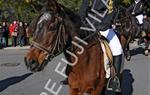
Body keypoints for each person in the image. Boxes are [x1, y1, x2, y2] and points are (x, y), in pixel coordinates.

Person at [61, 0, 123, 93]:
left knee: (117, 48)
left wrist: (103, 25)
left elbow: (111, 11)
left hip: (104, 27)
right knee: (74, 44)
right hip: (88, 25)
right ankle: (70, 72)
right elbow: (83, 10)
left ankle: (115, 79)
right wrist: (79, 25)